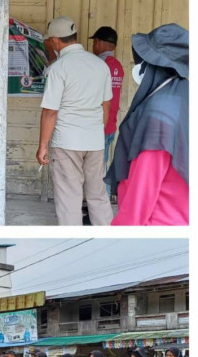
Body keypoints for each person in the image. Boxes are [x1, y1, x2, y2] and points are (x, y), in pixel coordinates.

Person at [108, 23, 189, 225]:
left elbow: (142, 190)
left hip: (157, 220)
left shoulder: (159, 114)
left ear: (153, 64)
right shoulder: (183, 97)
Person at [37, 16, 114, 226]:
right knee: (98, 196)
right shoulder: (99, 65)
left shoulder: (59, 68)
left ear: (55, 40)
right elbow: (105, 106)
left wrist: (42, 146)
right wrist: (97, 132)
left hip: (68, 142)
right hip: (95, 142)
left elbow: (50, 112)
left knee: (69, 199)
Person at [88, 26, 124, 194]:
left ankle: (100, 211)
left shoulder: (98, 65)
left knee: (96, 170)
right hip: (110, 124)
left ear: (98, 42)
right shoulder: (118, 66)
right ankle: (101, 206)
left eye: (94, 42)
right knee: (102, 166)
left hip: (98, 125)